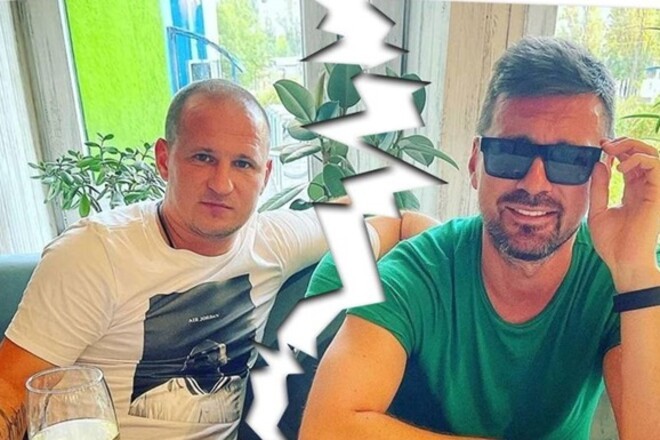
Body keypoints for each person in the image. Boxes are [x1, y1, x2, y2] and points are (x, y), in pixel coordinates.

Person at [0, 79, 435, 440]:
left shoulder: (272, 240)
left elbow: (396, 221)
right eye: (203, 157)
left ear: (265, 175)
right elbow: (9, 390)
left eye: (243, 164)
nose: (222, 184)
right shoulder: (93, 255)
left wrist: (461, 258)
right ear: (164, 159)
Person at [300, 37, 660, 439]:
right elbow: (324, 429)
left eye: (569, 160)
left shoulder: (621, 273)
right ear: (475, 163)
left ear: (601, 173)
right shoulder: (418, 272)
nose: (535, 183)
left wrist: (636, 272)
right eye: (510, 152)